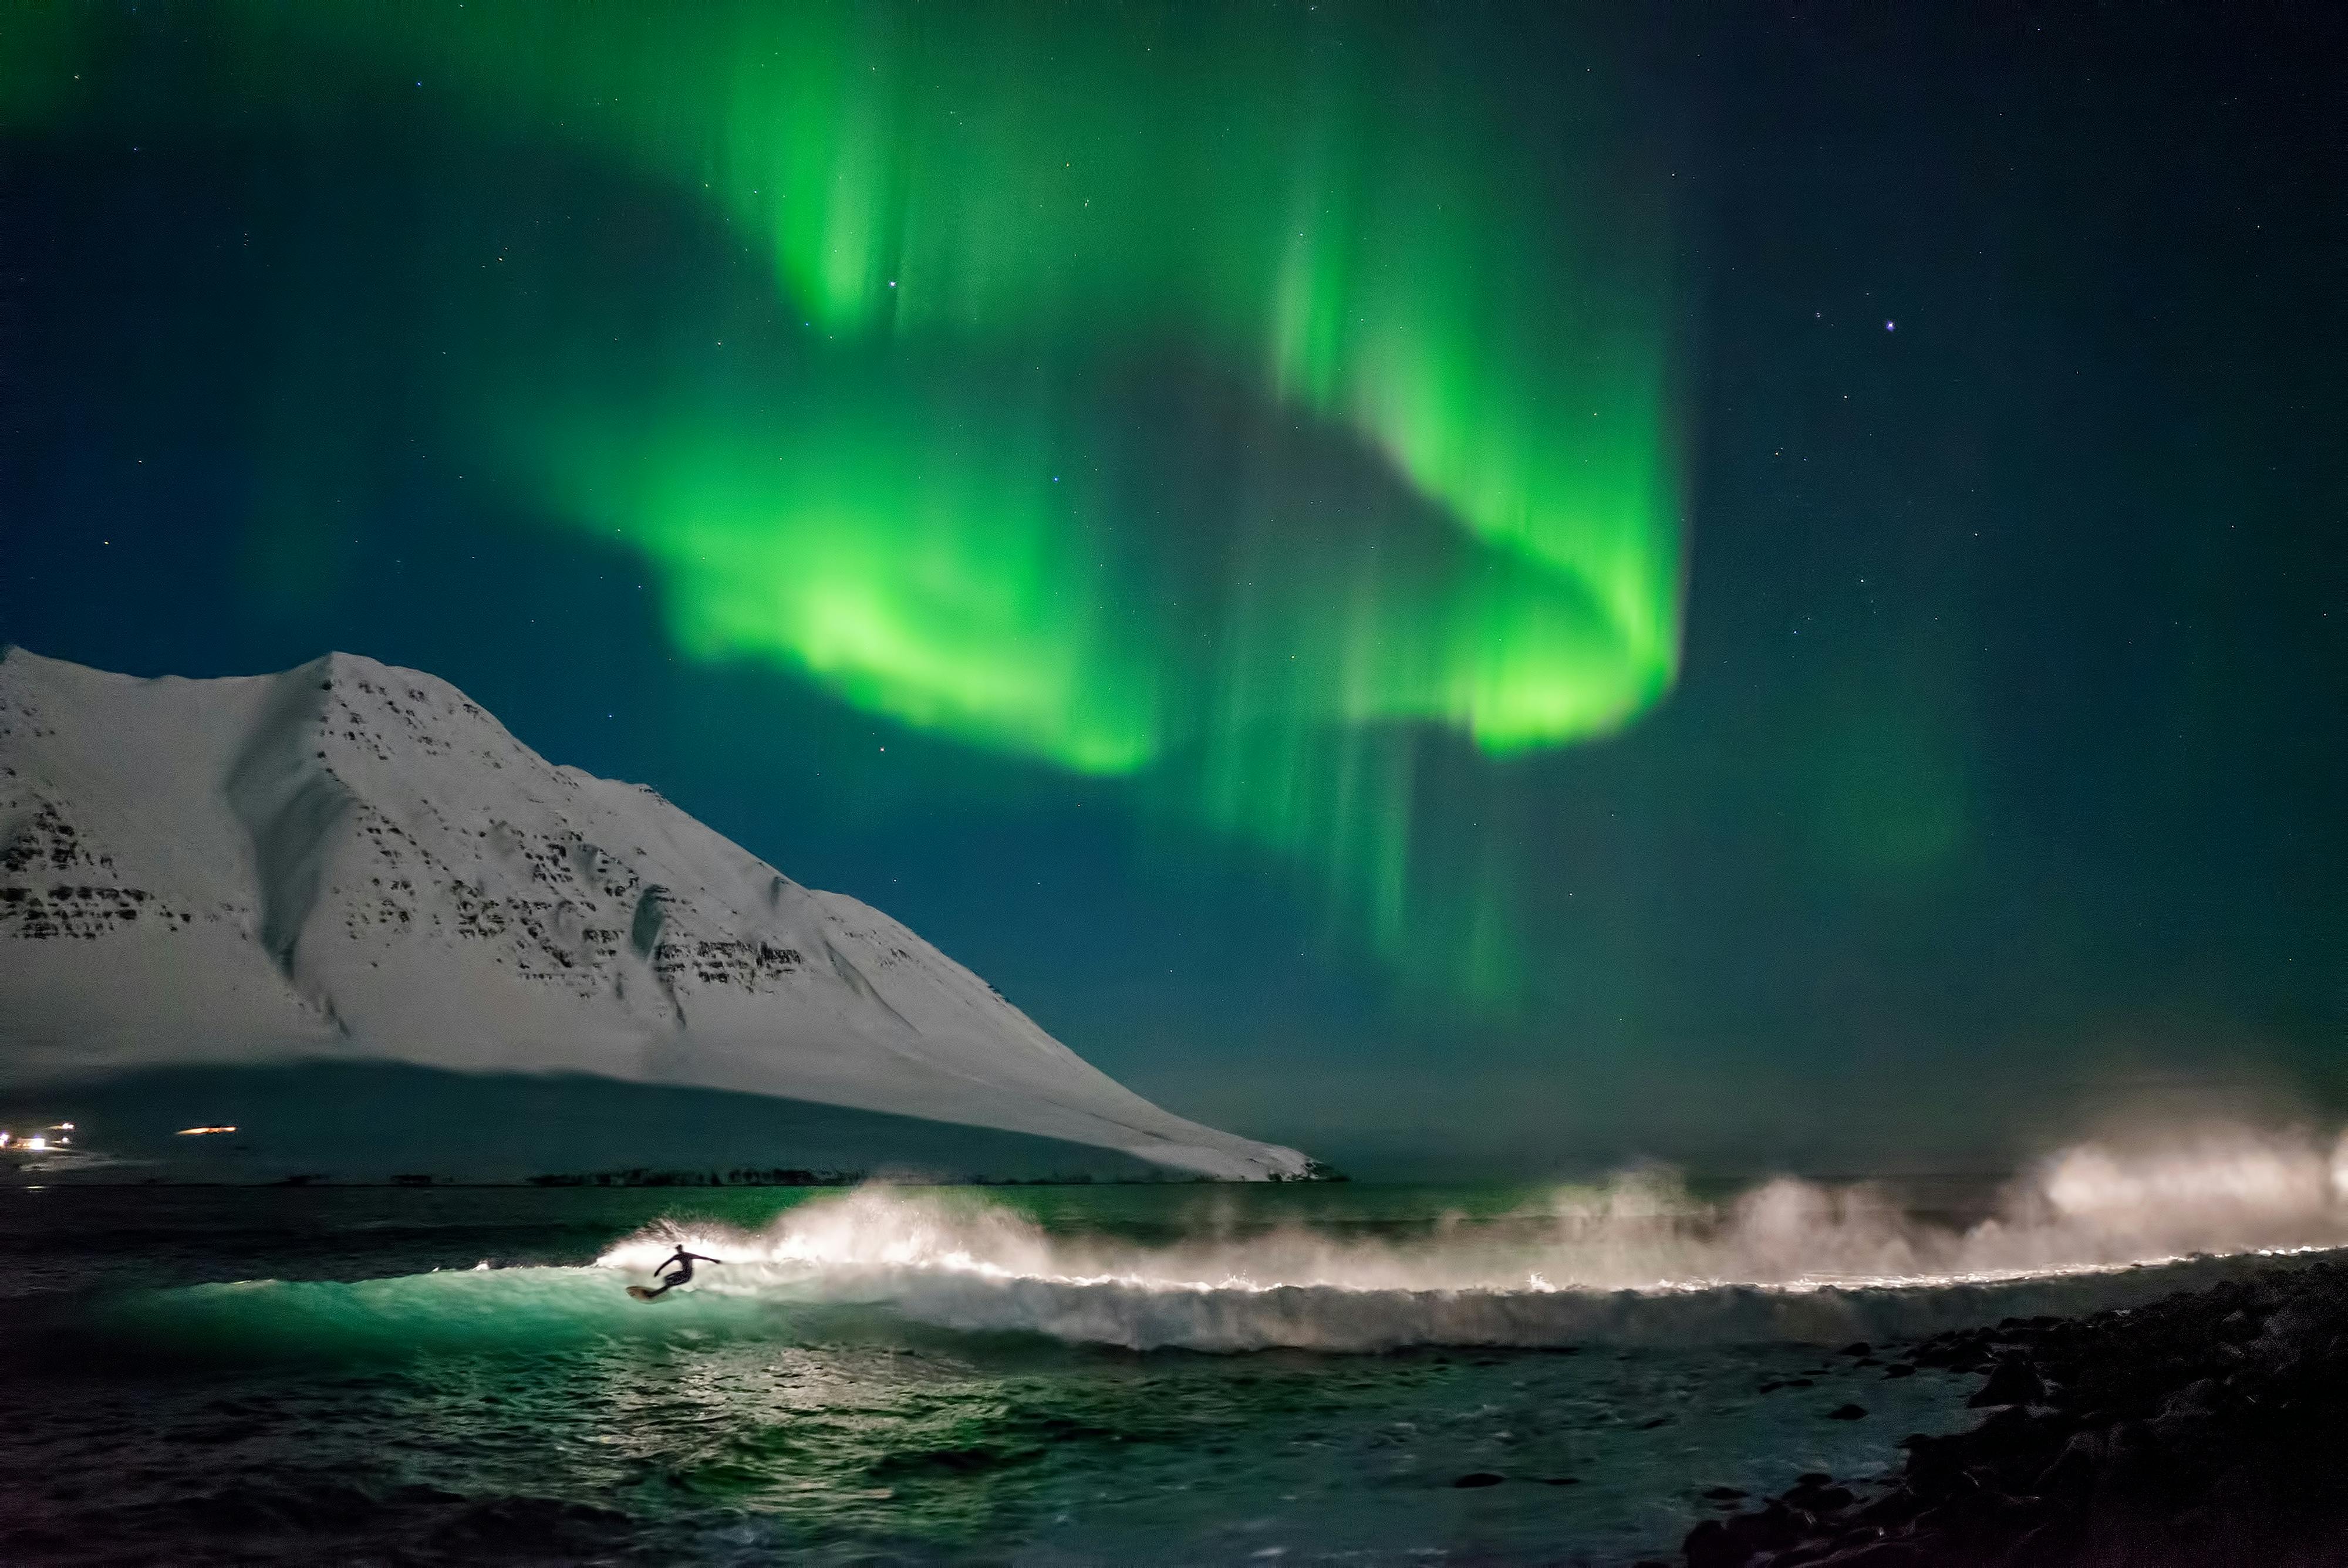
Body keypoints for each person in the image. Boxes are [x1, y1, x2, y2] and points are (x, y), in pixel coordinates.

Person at [639, 1244, 720, 1299]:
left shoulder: (687, 1255)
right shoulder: (678, 1256)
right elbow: (666, 1263)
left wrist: (714, 1260)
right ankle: (663, 1290)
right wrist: (658, 1270)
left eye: (678, 1249)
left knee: (669, 1284)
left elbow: (702, 1257)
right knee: (666, 1278)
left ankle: (652, 1295)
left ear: (681, 1249)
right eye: (677, 1249)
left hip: (687, 1276)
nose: (678, 1250)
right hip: (682, 1273)